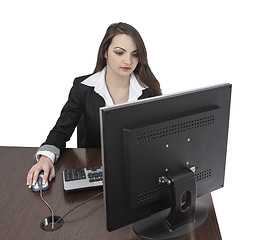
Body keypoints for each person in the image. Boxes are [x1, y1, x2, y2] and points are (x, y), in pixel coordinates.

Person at [26, 22, 162, 188]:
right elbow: (61, 130)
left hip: (136, 174)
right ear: (105, 52)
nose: (128, 61)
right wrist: (46, 159)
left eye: (135, 54)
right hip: (94, 172)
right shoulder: (83, 88)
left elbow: (160, 139)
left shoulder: (149, 92)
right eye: (119, 52)